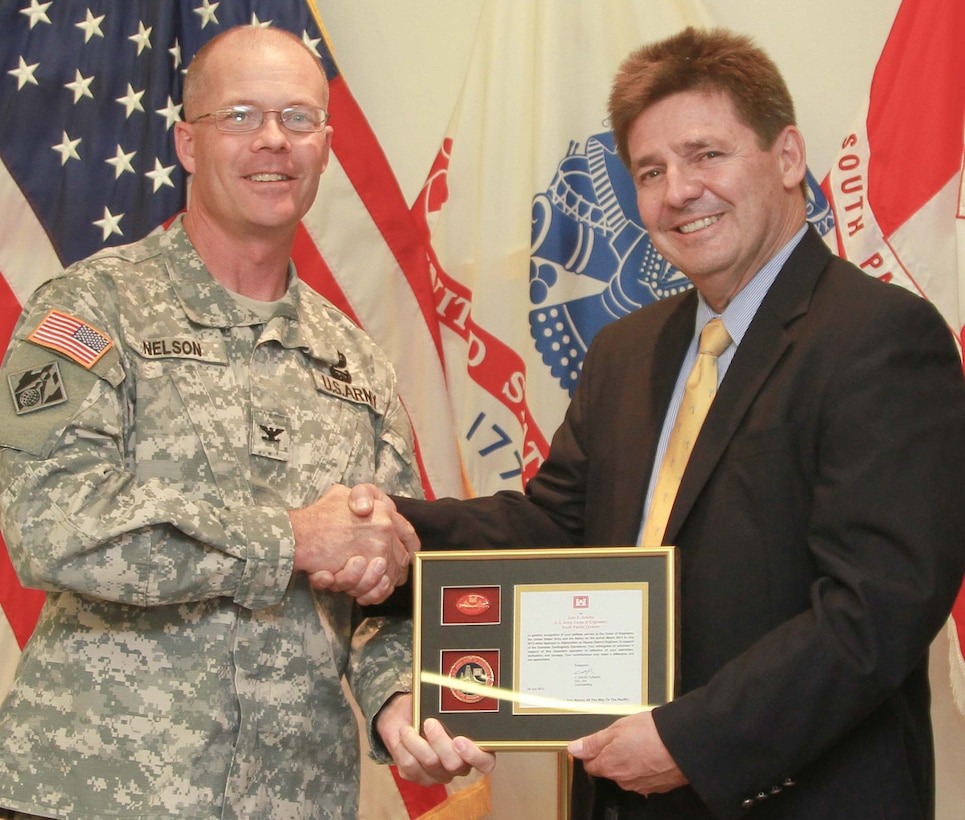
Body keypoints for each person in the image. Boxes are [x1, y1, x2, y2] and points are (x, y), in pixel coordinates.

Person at [351, 26, 965, 819]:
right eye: (650, 170)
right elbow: (556, 530)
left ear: (786, 159)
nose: (678, 190)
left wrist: (688, 739)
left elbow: (876, 609)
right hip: (621, 794)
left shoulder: (880, 336)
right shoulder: (625, 351)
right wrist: (392, 535)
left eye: (706, 154)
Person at [0, 25, 476, 820]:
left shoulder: (356, 362)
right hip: (92, 796)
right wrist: (293, 538)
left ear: (325, 145)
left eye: (298, 119)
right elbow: (49, 525)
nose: (272, 142)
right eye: (240, 117)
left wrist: (398, 699)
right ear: (187, 143)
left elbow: (384, 580)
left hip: (297, 797)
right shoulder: (88, 310)